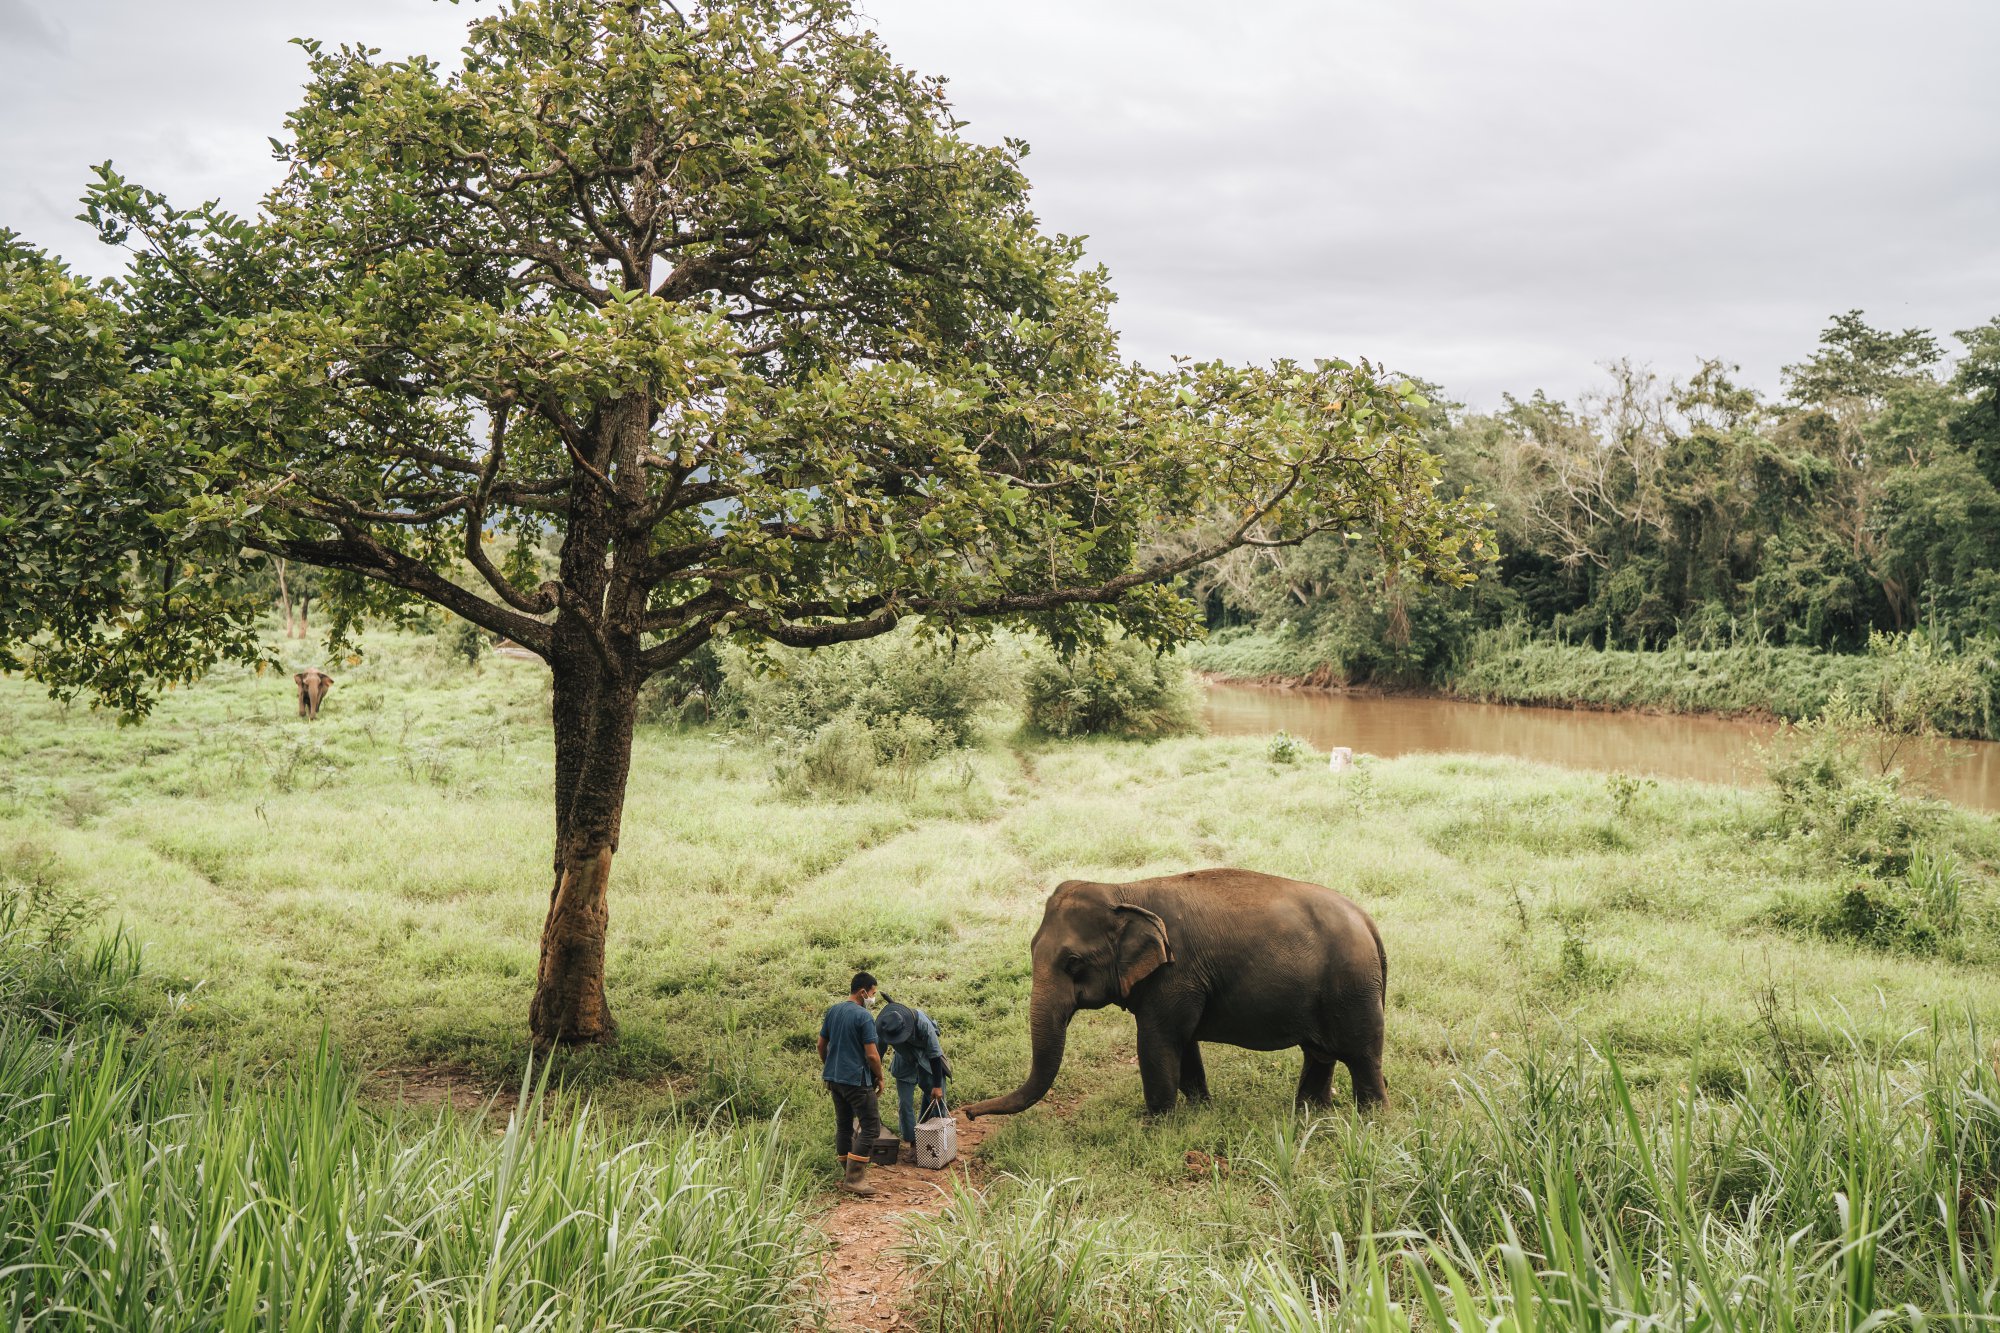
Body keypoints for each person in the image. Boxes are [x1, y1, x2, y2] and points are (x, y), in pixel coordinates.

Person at [818, 971, 885, 1196]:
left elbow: (821, 1045)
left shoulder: (833, 1011)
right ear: (863, 992)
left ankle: (847, 1172)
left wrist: (831, 1066)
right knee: (870, 1128)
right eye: (873, 993)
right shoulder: (863, 1017)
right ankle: (854, 1179)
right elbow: (873, 1056)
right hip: (856, 1081)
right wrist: (880, 1077)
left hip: (834, 1079)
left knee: (844, 1126)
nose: (873, 998)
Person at [874, 998, 948, 1158]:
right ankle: (913, 1143)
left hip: (927, 1059)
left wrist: (937, 1086)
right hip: (904, 1060)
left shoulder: (923, 1025)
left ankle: (933, 1141)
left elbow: (935, 1055)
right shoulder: (884, 1026)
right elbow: (878, 1053)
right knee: (905, 1104)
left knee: (935, 1099)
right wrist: (875, 1075)